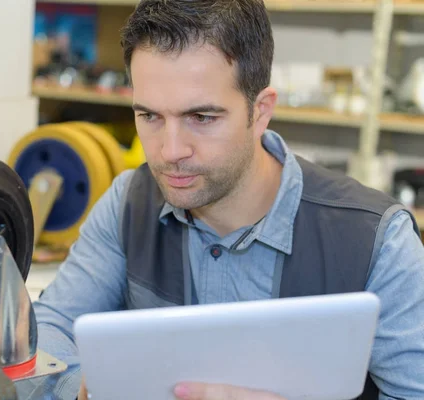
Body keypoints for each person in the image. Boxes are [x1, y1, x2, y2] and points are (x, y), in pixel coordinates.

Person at [31, 0, 424, 399]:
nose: (169, 151)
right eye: (149, 116)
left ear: (261, 110)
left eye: (201, 118)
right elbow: (49, 332)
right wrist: (79, 391)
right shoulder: (128, 203)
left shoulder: (376, 240)